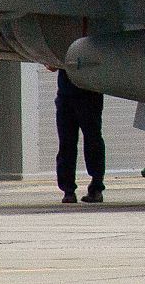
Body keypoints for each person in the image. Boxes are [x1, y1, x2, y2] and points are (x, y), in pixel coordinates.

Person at [55, 68, 106, 204]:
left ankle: (93, 187)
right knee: (67, 143)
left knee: (92, 140)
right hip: (69, 94)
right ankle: (71, 190)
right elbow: (51, 66)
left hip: (88, 94)